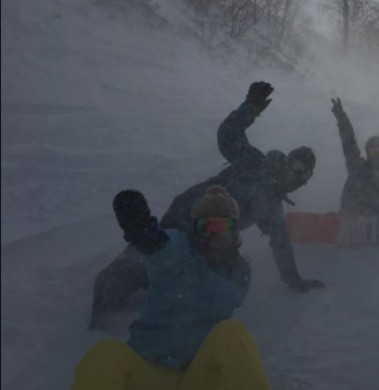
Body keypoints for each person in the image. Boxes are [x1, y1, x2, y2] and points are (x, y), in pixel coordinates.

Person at [91, 86, 323, 328]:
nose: (298, 179)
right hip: (185, 215)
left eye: (305, 176)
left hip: (210, 238)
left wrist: (294, 280)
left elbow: (281, 244)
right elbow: (229, 136)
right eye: (297, 169)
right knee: (155, 255)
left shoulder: (272, 206)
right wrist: (250, 108)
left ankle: (163, 298)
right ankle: (115, 287)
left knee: (200, 272)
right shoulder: (255, 162)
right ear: (287, 161)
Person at [71, 186, 302, 390]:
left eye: (222, 226)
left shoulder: (238, 272)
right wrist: (149, 239)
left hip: (196, 388)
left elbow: (218, 296)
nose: (214, 237)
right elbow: (163, 250)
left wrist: (186, 266)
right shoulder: (176, 245)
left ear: (235, 231)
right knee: (104, 354)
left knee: (231, 333)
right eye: (206, 227)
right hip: (148, 387)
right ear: (193, 230)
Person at [330, 97, 379, 215]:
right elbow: (349, 143)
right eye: (373, 150)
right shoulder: (358, 166)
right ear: (368, 152)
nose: (377, 154)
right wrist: (342, 119)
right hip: (352, 219)